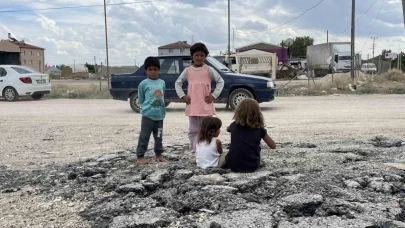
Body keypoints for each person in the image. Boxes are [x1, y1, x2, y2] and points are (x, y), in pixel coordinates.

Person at [175, 42, 225, 153]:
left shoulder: (209, 70)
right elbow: (177, 83)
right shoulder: (187, 71)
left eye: (202, 55)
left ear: (205, 56)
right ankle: (194, 150)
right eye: (196, 55)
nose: (199, 58)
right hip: (192, 107)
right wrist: (183, 96)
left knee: (207, 129)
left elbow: (220, 81)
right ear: (192, 56)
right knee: (193, 130)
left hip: (205, 106)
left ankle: (207, 150)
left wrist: (213, 95)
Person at [223, 98, 276, 172]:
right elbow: (273, 145)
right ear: (257, 113)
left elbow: (228, 129)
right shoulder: (259, 129)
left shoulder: (233, 126)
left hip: (233, 165)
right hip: (252, 165)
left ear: (238, 111)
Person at [135, 57, 167, 165]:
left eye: (155, 69)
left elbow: (162, 96)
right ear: (146, 70)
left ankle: (158, 154)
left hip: (160, 116)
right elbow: (141, 98)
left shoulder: (162, 82)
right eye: (150, 69)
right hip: (148, 115)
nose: (153, 72)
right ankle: (140, 156)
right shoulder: (143, 84)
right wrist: (147, 107)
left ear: (158, 70)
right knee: (144, 136)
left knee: (158, 136)